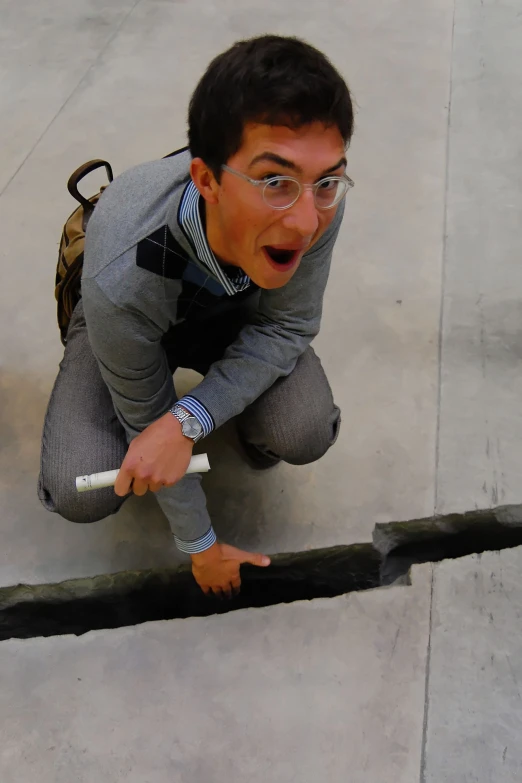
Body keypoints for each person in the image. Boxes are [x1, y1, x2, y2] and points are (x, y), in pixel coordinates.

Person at [38, 34, 354, 598]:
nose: (306, 220)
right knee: (77, 488)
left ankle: (252, 431)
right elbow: (146, 413)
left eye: (326, 180)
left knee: (303, 428)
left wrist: (191, 420)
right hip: (131, 317)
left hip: (233, 309)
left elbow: (287, 325)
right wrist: (200, 546)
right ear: (207, 179)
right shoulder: (121, 268)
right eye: (274, 181)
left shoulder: (319, 200)